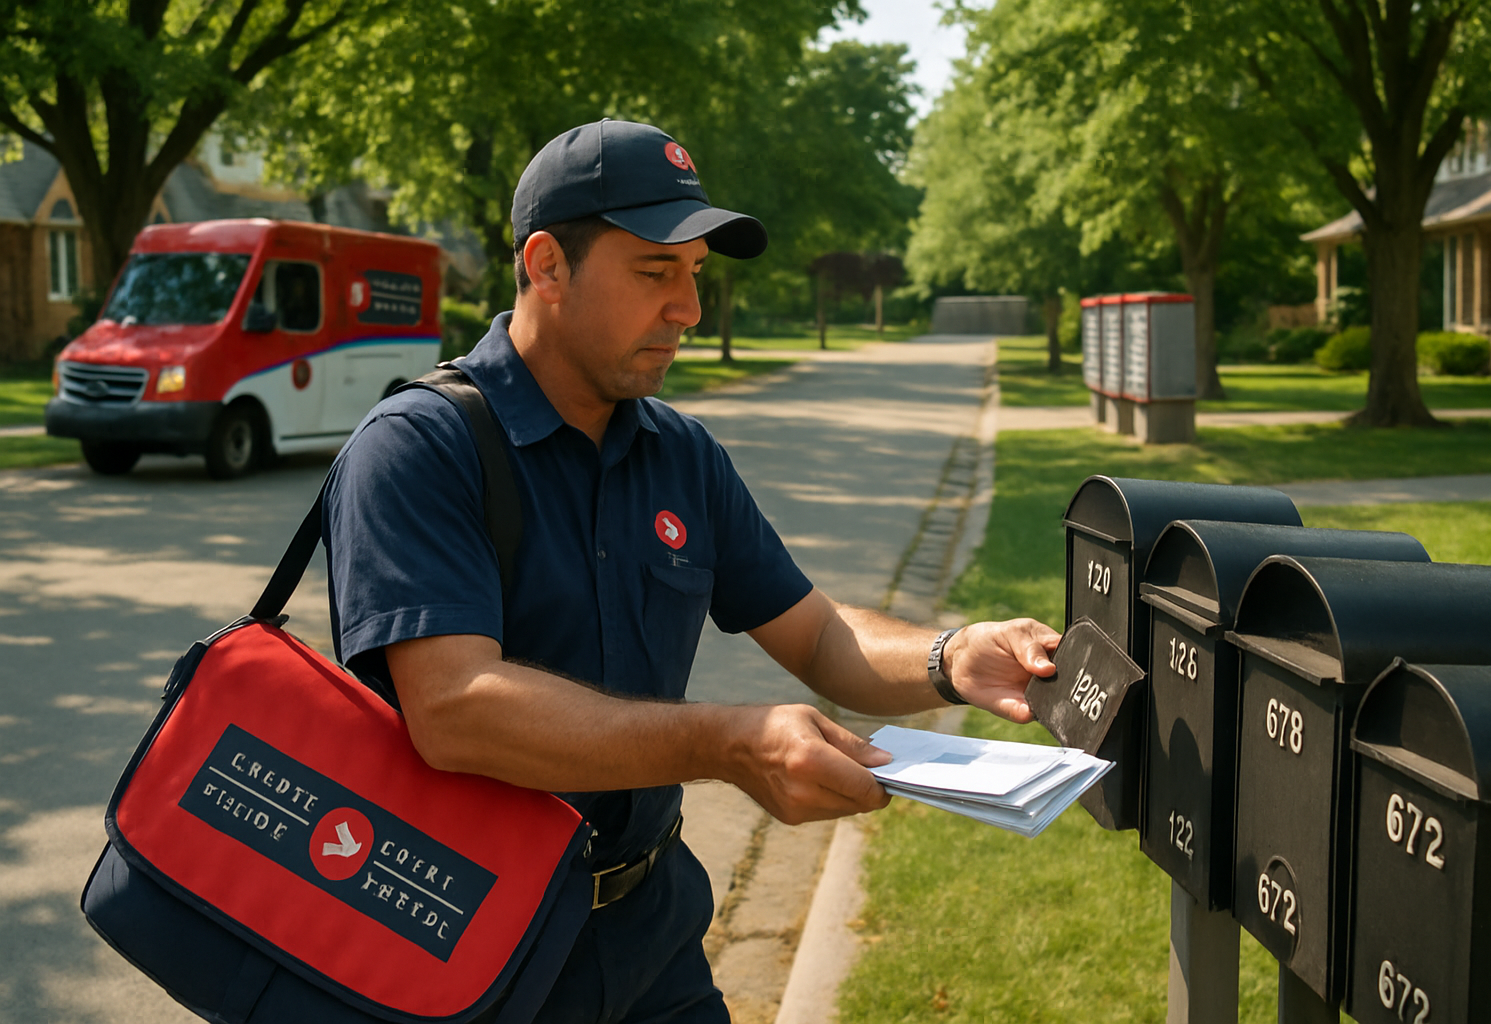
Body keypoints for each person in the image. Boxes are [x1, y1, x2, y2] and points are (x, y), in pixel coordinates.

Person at [323, 119, 1061, 1024]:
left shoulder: (681, 454)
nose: (689, 309)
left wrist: (951, 656)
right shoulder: (418, 450)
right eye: (654, 273)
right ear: (548, 265)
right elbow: (454, 710)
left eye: (696, 275)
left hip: (652, 942)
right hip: (460, 946)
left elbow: (818, 633)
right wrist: (726, 740)